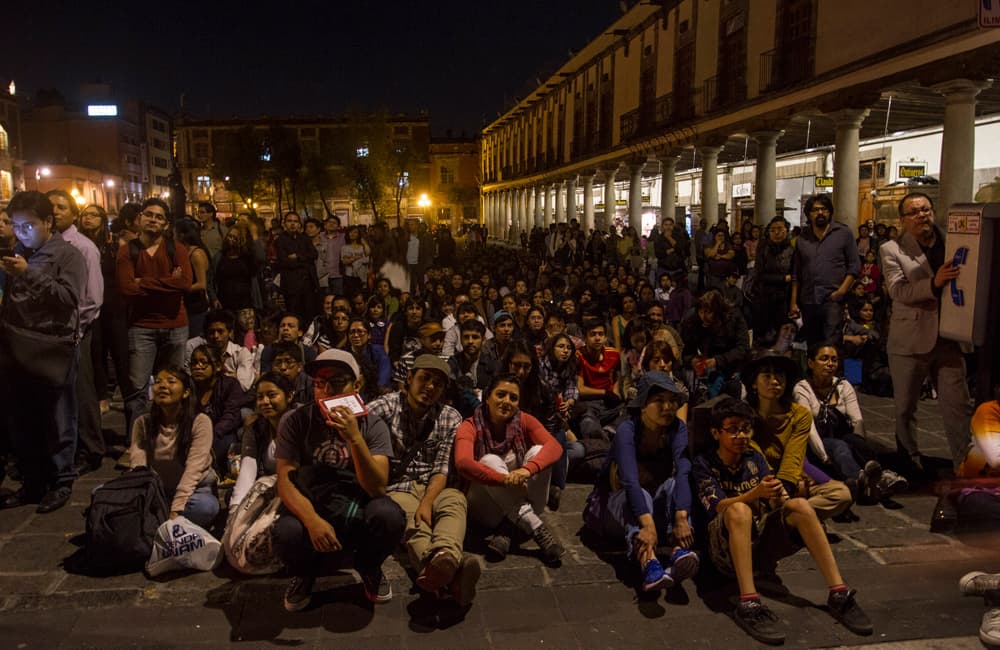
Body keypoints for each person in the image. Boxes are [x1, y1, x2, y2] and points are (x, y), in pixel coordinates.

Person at [692, 397, 873, 644]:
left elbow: (779, 499)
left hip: (758, 540)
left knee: (799, 506)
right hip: (722, 549)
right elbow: (718, 506)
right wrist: (754, 494)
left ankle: (839, 593)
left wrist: (782, 499)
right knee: (739, 511)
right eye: (732, 429)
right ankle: (749, 602)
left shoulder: (753, 458)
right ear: (716, 433)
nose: (741, 435)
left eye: (745, 428)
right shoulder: (704, 462)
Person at [273, 349, 406, 611]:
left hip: (356, 504)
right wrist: (312, 522)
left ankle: (369, 566)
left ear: (356, 385)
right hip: (314, 502)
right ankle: (305, 572)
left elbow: (377, 487)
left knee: (390, 516)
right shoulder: (296, 421)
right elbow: (285, 480)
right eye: (320, 384)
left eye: (337, 383)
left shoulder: (373, 424)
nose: (327, 392)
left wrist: (354, 438)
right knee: (285, 532)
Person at [367, 354, 480, 606]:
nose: (430, 387)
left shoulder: (450, 417)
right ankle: (451, 569)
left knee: (455, 500)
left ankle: (443, 560)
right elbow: (359, 422)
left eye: (437, 383)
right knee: (414, 523)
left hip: (434, 485)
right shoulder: (386, 407)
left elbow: (441, 468)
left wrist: (428, 501)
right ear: (409, 378)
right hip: (398, 486)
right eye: (424, 379)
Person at [0, 191, 87, 513]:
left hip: (50, 348)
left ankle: (61, 480)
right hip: (16, 348)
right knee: (23, 419)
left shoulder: (68, 255)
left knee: (58, 417)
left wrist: (27, 273)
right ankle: (32, 481)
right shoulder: (18, 252)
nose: (21, 232)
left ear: (48, 222)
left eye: (28, 226)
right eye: (16, 225)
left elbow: (69, 298)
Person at [880, 192, 973, 471]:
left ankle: (964, 463)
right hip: (910, 339)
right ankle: (909, 459)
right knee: (906, 406)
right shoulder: (892, 249)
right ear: (903, 219)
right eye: (914, 212)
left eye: (926, 209)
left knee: (958, 405)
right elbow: (898, 290)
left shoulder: (953, 242)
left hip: (948, 338)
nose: (922, 215)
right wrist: (934, 284)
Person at [585, 372, 699, 592]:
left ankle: (678, 550)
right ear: (643, 406)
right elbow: (629, 481)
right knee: (640, 493)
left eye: (672, 400)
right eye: (659, 400)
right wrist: (647, 524)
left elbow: (684, 469)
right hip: (615, 507)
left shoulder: (676, 428)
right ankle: (649, 562)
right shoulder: (627, 430)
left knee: (674, 485)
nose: (668, 407)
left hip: (649, 508)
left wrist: (682, 516)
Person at [454, 374, 566, 565]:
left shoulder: (523, 420)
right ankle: (535, 526)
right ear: (487, 397)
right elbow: (463, 463)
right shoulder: (470, 425)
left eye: (513, 398)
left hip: (520, 497)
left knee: (539, 451)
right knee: (489, 460)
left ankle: (508, 528)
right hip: (485, 508)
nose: (506, 401)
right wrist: (504, 480)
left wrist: (527, 470)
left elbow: (555, 447)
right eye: (501, 395)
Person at [793, 343, 908, 506]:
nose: (830, 363)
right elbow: (809, 428)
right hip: (817, 443)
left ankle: (876, 475)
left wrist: (860, 447)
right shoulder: (802, 389)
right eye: (824, 359)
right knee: (839, 446)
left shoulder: (843, 385)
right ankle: (864, 480)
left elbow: (857, 420)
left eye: (834, 360)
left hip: (843, 436)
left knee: (851, 440)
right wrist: (824, 457)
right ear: (811, 363)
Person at [744, 351, 853, 521]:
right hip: (759, 481)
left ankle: (787, 517)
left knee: (841, 494)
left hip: (789, 480)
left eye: (780, 375)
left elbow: (793, 456)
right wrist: (776, 489)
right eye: (767, 376)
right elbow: (754, 455)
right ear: (754, 384)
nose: (774, 381)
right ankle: (793, 518)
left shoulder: (799, 414)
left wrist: (785, 488)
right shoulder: (744, 414)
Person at [116, 198, 193, 435]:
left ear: (166, 224)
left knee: (172, 385)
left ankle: (170, 435)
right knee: (138, 388)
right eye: (149, 214)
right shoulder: (127, 251)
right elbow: (127, 288)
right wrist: (168, 282)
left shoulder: (176, 249)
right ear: (140, 218)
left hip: (175, 325)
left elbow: (185, 282)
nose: (153, 220)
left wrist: (144, 282)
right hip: (142, 327)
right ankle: (138, 441)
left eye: (159, 217)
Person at [47, 190, 105, 477]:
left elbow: (92, 298)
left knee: (81, 390)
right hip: (49, 332)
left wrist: (77, 330)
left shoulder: (83, 247)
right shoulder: (43, 245)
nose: (56, 212)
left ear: (73, 214)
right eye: (51, 207)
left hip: (75, 330)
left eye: (62, 207)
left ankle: (91, 448)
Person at [129, 365, 218, 529]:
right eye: (158, 382)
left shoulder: (200, 421)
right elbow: (138, 466)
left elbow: (194, 468)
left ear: (185, 392)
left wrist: (176, 509)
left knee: (206, 507)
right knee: (100, 493)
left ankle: (155, 521)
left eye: (171, 381)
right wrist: (142, 497)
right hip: (157, 491)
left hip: (192, 492)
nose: (162, 386)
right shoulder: (143, 423)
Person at [789, 194, 860, 346]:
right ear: (809, 214)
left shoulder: (843, 233)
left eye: (824, 209)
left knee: (832, 344)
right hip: (808, 299)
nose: (820, 213)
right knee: (813, 345)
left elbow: (854, 266)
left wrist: (841, 291)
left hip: (832, 299)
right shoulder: (802, 238)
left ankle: (836, 370)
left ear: (830, 212)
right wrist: (794, 302)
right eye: (815, 210)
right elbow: (796, 273)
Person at [229, 372, 295, 512]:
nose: (265, 401)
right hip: (268, 488)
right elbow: (248, 466)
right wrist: (235, 509)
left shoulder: (301, 423)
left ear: (289, 396)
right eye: (260, 397)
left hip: (296, 492)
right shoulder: (256, 428)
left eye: (271, 395)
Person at [680, 289, 749, 401]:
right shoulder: (693, 320)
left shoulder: (734, 316)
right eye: (701, 312)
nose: (704, 316)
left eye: (708, 312)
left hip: (733, 367)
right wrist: (692, 360)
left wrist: (718, 360)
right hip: (708, 369)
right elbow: (686, 350)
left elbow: (743, 348)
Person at [188, 344, 246, 477]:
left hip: (221, 434)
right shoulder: (188, 387)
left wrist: (208, 436)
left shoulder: (230, 384)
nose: (197, 367)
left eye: (203, 362)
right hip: (193, 435)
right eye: (194, 363)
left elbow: (231, 416)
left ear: (218, 366)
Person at [184, 309, 256, 392]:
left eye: (220, 331)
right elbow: (190, 382)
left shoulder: (241, 353)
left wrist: (210, 378)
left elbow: (244, 384)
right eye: (211, 332)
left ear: (230, 332)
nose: (215, 336)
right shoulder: (196, 350)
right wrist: (233, 377)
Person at [274, 211, 319, 323]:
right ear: (284, 223)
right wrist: (304, 260)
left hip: (308, 284)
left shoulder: (304, 238)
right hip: (291, 286)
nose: (293, 224)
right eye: (290, 221)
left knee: (309, 314)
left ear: (299, 224)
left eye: (295, 221)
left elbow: (314, 254)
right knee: (294, 315)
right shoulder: (280, 240)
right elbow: (284, 262)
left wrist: (297, 256)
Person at [173, 218, 211, 338]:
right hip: (189, 305)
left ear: (182, 235)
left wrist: (180, 288)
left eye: (174, 234)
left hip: (196, 306)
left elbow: (201, 284)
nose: (173, 238)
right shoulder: (185, 252)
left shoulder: (196, 254)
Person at [347, 317, 393, 399]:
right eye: (352, 332)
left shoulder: (378, 352)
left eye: (360, 331)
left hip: (375, 393)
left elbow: (383, 379)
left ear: (369, 335)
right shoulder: (344, 354)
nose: (356, 335)